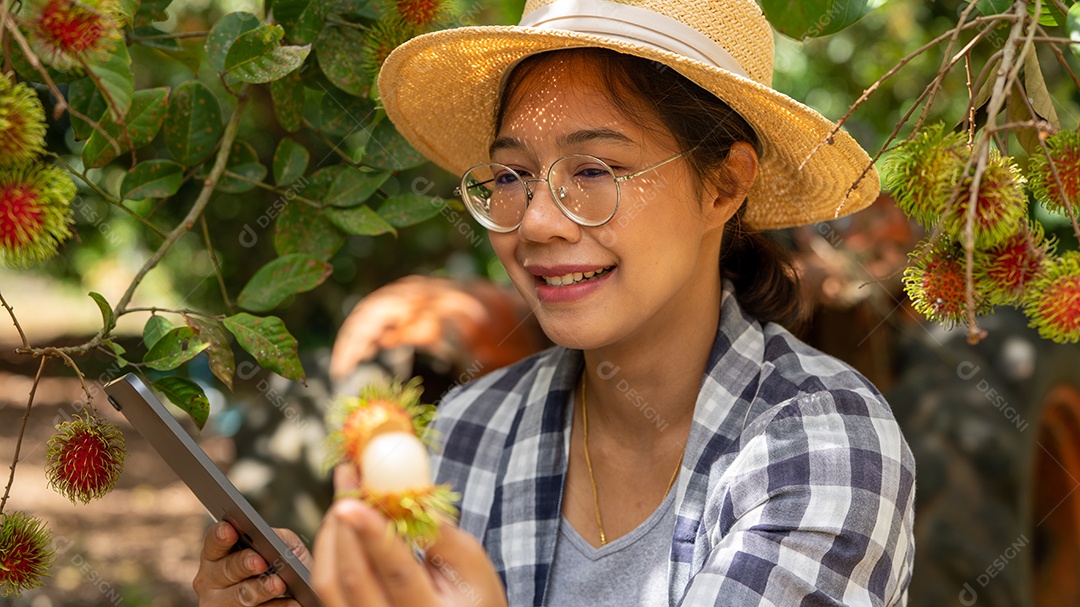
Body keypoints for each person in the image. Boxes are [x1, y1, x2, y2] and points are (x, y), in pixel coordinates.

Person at [193, 0, 916, 605]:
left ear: (724, 186)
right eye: (511, 175)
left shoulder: (821, 445)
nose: (536, 221)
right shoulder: (469, 429)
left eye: (596, 168)